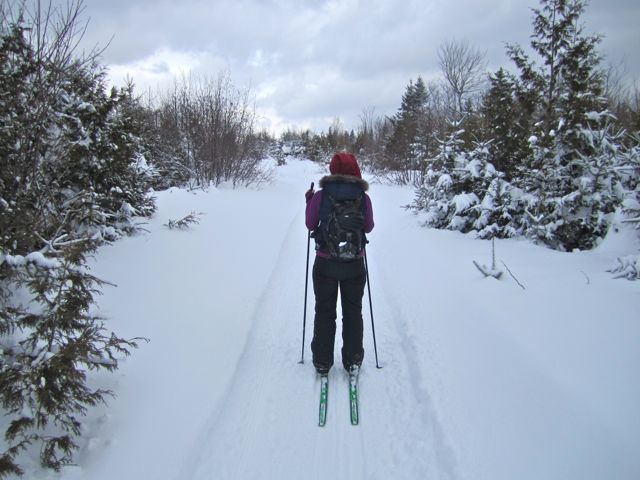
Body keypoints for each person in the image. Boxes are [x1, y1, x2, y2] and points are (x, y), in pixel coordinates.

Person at [305, 152, 374, 375]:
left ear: (333, 170)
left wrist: (310, 201)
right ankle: (353, 360)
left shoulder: (321, 196)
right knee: (353, 311)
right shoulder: (363, 197)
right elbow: (369, 227)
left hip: (325, 262)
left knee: (324, 310)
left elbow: (310, 223)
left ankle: (322, 362)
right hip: (354, 264)